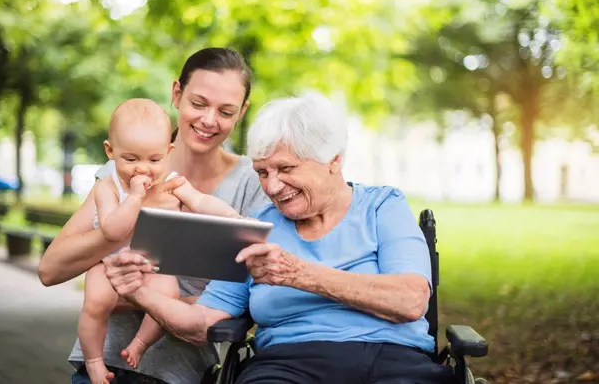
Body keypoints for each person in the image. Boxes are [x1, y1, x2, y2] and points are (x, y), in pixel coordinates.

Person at [103, 92, 457, 384]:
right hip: (287, 365)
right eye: (262, 172)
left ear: (333, 160)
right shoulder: (255, 226)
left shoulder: (382, 206)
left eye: (286, 169)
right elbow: (202, 325)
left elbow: (410, 300)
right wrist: (138, 290)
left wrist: (299, 275)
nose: (271, 187)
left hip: (393, 360)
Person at [38, 48, 269, 384]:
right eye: (199, 103)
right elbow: (51, 269)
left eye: (226, 111)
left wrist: (134, 295)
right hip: (104, 364)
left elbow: (248, 298)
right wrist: (120, 230)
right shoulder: (118, 173)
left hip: (181, 374)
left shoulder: (253, 181)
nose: (208, 120)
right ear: (177, 94)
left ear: (242, 112)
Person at [79, 98, 244, 384]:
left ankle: (140, 344)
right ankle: (93, 361)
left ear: (168, 152)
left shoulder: (172, 181)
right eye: (131, 159)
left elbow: (202, 202)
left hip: (150, 264)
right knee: (95, 302)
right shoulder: (108, 186)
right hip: (111, 264)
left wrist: (234, 218)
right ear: (110, 151)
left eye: (154, 160)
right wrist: (135, 198)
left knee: (168, 293)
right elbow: (111, 231)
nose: (142, 169)